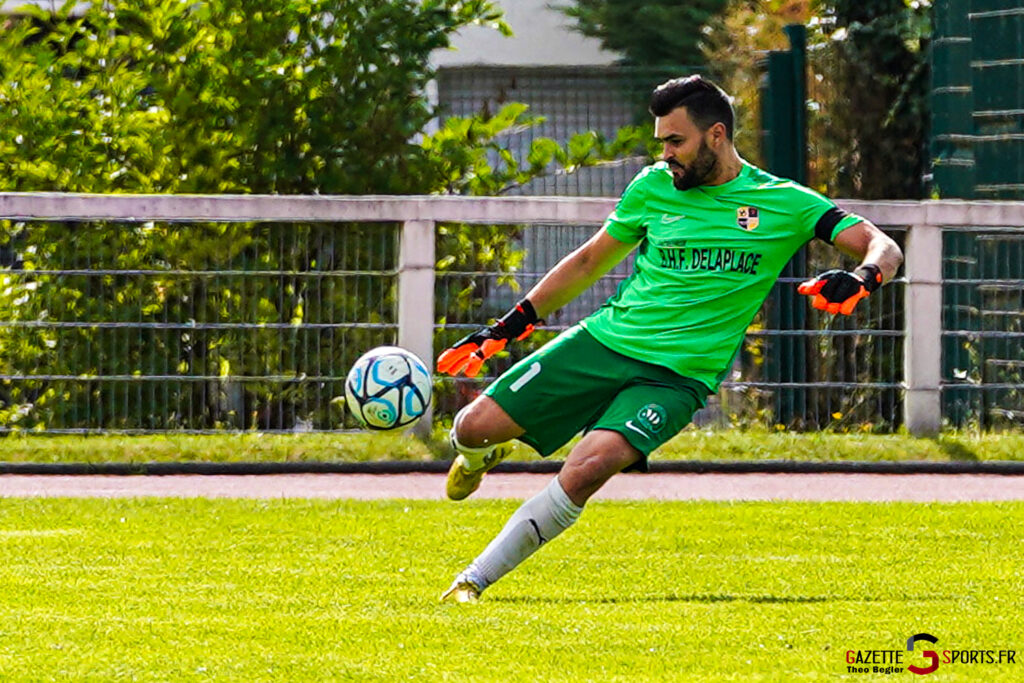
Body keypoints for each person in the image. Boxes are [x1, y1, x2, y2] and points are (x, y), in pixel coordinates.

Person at [435, 75, 904, 602]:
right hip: (605, 342)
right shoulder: (652, 187)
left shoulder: (784, 202)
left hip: (677, 378)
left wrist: (864, 276)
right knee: (474, 428)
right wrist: (509, 326)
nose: (665, 154)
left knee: (588, 466)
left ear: (717, 136)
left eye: (675, 141)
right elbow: (589, 261)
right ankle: (477, 457)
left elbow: (881, 243)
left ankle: (473, 580)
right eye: (661, 141)